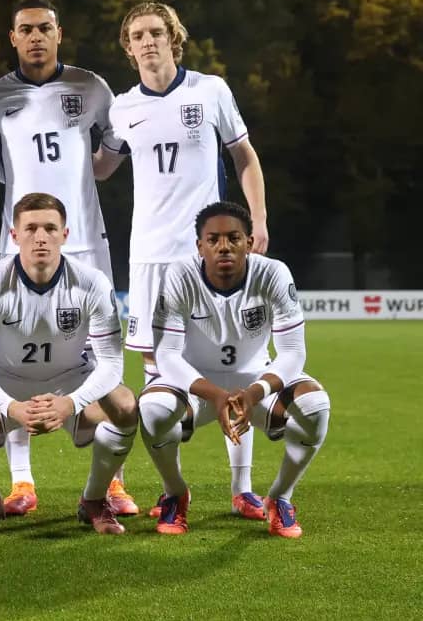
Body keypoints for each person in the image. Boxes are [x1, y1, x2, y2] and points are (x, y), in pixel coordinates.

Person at [102, 1, 271, 520]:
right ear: (128, 49)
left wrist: (258, 220)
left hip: (210, 254)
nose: (147, 41)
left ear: (174, 39)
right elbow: (101, 169)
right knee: (161, 383)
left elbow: (244, 156)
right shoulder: (121, 108)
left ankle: (242, 489)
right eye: (137, 35)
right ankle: (174, 490)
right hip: (150, 259)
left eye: (156, 32)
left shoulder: (210, 90)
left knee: (235, 365)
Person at [0, 0, 137, 519]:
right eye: (27, 29)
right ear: (13, 37)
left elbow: (113, 149)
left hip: (87, 240)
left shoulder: (90, 88)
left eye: (45, 27)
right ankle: (22, 481)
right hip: (19, 245)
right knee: (12, 360)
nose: (37, 36)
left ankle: (112, 481)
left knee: (102, 356)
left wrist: (90, 175)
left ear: (59, 33)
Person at [0, 193, 138, 536]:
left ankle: (94, 499)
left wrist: (72, 403)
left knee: (125, 405)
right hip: (6, 381)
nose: (41, 237)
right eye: (31, 228)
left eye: (50, 228)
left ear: (65, 235)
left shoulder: (92, 282)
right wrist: (10, 407)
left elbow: (111, 364)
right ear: (14, 235)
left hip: (69, 381)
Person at [141, 201, 330, 537]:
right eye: (213, 239)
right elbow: (167, 355)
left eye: (234, 237)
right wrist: (215, 394)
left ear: (249, 241)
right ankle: (175, 492)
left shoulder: (273, 273)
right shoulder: (179, 275)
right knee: (152, 409)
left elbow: (292, 352)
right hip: (196, 388)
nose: (224, 246)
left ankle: (280, 497)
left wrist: (254, 391)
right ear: (199, 246)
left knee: (316, 407)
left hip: (255, 382)